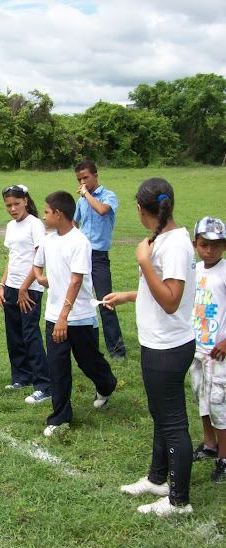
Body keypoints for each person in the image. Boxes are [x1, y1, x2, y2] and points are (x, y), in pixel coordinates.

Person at [106, 178, 196, 516]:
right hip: (158, 342)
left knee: (172, 423)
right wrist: (130, 295)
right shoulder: (165, 239)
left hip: (168, 347)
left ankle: (178, 501)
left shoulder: (173, 245)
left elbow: (171, 301)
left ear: (143, 210)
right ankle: (158, 479)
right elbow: (167, 291)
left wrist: (144, 261)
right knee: (160, 414)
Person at [32, 191, 117, 437]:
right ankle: (59, 418)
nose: (44, 216)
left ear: (59, 214)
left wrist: (63, 317)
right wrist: (41, 279)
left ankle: (106, 385)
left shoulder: (80, 242)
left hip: (78, 316)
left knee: (88, 361)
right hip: (53, 316)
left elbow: (76, 281)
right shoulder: (49, 240)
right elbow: (38, 263)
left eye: (47, 212)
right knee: (57, 367)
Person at [0, 185, 51, 404]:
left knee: (30, 335)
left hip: (29, 290)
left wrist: (24, 287)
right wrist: (3, 283)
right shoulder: (11, 226)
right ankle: (21, 377)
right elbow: (13, 257)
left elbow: (39, 259)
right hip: (12, 287)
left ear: (26, 201)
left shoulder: (35, 225)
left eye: (16, 204)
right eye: (8, 205)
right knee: (14, 335)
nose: (12, 209)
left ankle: (44, 385)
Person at [72, 161, 126, 360]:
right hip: (82, 254)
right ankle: (85, 346)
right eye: (79, 179)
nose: (82, 182)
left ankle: (117, 350)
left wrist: (85, 194)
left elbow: (103, 210)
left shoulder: (107, 196)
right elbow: (74, 221)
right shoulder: (81, 201)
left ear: (96, 175)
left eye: (85, 177)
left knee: (106, 301)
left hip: (99, 257)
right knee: (79, 300)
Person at [188, 216, 226, 483]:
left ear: (224, 246)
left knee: (219, 404)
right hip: (196, 348)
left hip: (218, 352)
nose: (209, 250)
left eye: (215, 245)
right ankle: (209, 443)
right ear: (195, 244)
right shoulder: (194, 271)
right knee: (202, 396)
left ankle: (224, 457)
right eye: (204, 244)